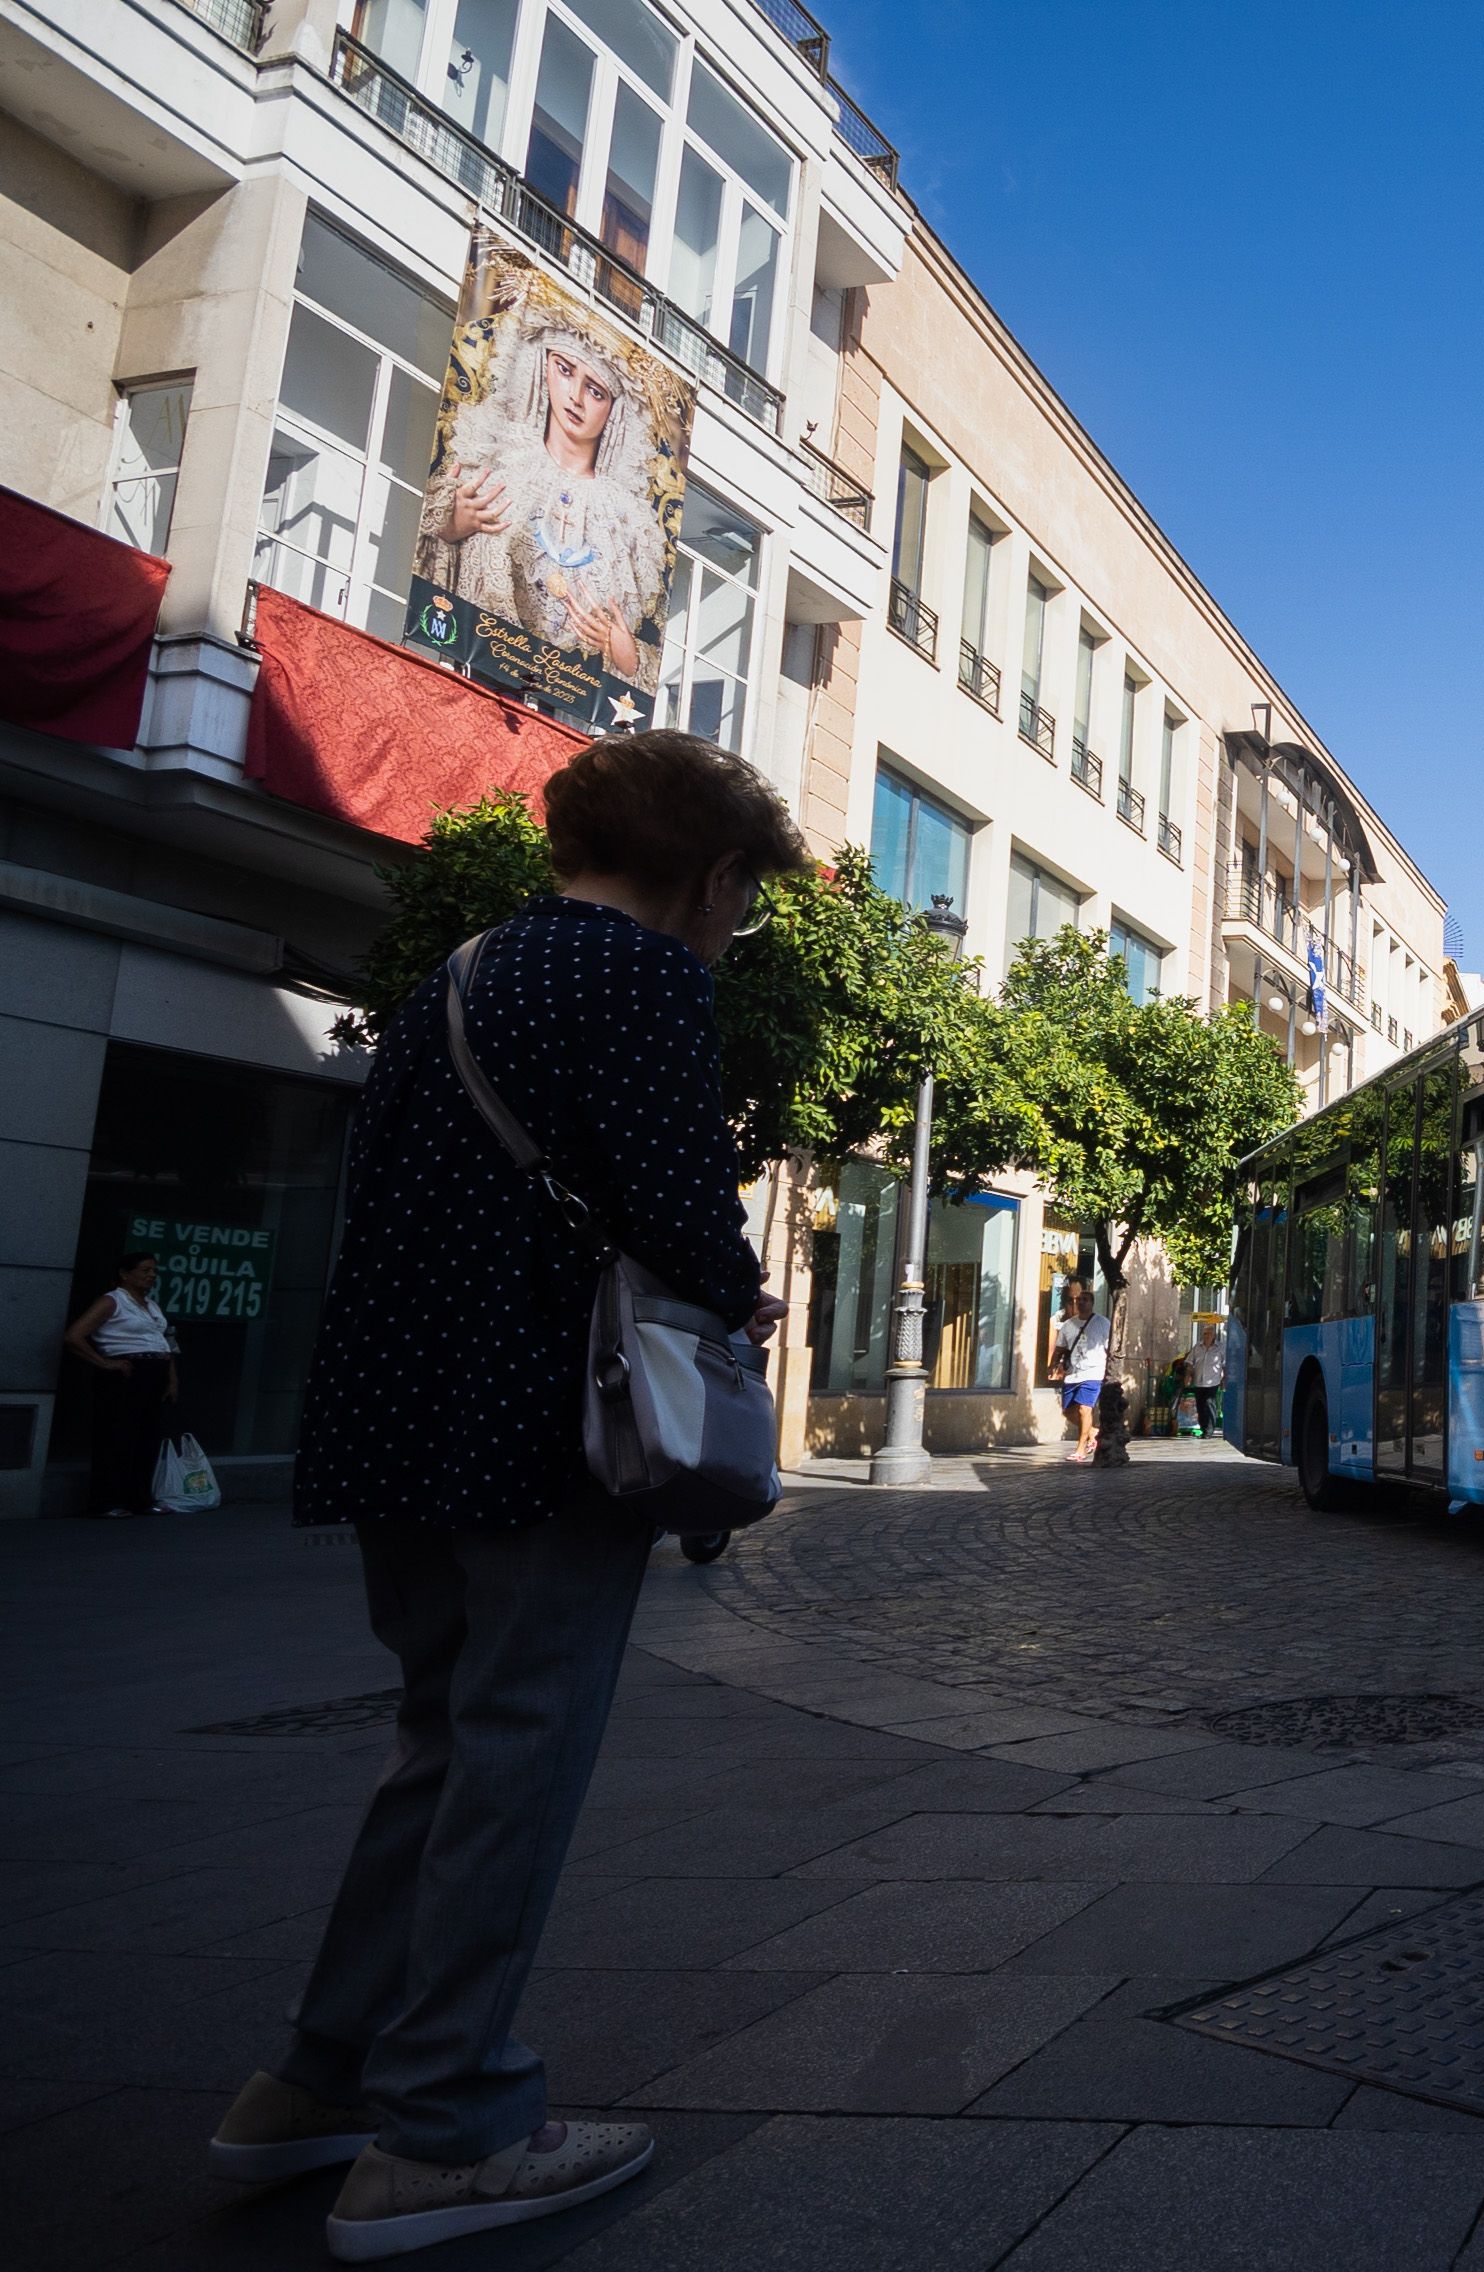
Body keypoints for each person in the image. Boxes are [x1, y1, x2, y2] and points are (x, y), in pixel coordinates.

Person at [207, 729, 805, 2261]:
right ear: (715, 877)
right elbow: (678, 1204)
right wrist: (740, 1297)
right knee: (516, 1757)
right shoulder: (645, 979)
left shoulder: (458, 973)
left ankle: (317, 2080)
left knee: (439, 1742)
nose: (734, 929)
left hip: (396, 1414)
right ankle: (449, 2122)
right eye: (741, 897)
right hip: (541, 1424)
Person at [417, 300, 667, 695]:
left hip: (560, 716)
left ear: (615, 409)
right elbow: (427, 585)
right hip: (470, 685)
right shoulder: (491, 464)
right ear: (542, 365)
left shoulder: (628, 526)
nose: (576, 398)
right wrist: (451, 529)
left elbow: (635, 667)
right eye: (565, 371)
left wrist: (626, 654)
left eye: (596, 390)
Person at [61, 1249, 178, 1519]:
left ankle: (140, 1498)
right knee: (117, 1436)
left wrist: (172, 1378)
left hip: (155, 1370)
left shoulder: (151, 1305)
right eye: (144, 1270)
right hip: (127, 1372)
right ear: (125, 1274)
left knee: (146, 1437)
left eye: (154, 1271)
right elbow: (74, 1336)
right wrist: (104, 1363)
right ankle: (107, 1500)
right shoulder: (112, 1301)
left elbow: (164, 1343)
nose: (151, 1276)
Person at [1051, 1278, 1109, 1464]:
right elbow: (1060, 1348)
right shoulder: (1068, 1325)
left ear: (1092, 1303)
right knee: (1068, 1411)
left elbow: (1111, 1348)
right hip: (1073, 1373)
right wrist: (1053, 1364)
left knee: (1085, 1409)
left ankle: (1081, 1449)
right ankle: (1094, 1433)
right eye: (1078, 1300)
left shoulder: (1102, 1323)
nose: (1080, 1302)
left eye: (1085, 1299)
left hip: (1093, 1372)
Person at [1182, 1320, 1226, 1439]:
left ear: (1214, 1336)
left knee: (1209, 1404)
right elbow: (1190, 1363)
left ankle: (1209, 1430)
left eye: (1209, 1334)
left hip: (1213, 1381)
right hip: (1199, 1380)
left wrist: (1224, 1380)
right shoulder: (1197, 1347)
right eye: (1205, 1333)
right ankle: (1203, 1428)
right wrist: (1188, 1376)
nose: (1206, 1336)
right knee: (1201, 1405)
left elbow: (1224, 1364)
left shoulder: (1220, 1348)